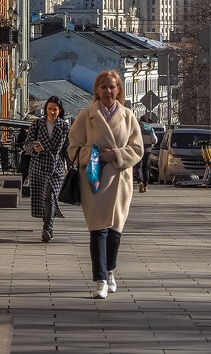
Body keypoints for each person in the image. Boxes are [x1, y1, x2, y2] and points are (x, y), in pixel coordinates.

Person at [68, 70, 143, 299]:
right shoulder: (86, 116)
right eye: (104, 87)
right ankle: (100, 279)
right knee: (97, 230)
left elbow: (138, 149)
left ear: (118, 90)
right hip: (94, 179)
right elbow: (73, 148)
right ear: (96, 90)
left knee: (114, 231)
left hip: (120, 181)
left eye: (112, 87)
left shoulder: (128, 116)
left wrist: (117, 155)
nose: (108, 92)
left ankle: (110, 271)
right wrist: (95, 155)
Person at [25, 96, 71, 242]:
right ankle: (47, 227)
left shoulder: (64, 127)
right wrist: (34, 148)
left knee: (50, 196)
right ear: (46, 109)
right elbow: (27, 144)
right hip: (38, 167)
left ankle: (47, 229)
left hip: (56, 168)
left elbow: (68, 149)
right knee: (43, 198)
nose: (52, 112)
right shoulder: (37, 124)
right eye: (50, 109)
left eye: (55, 109)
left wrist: (71, 167)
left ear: (60, 111)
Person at [137, 117, 156, 193]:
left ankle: (139, 181)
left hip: (138, 149)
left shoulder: (137, 126)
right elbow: (154, 140)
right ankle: (145, 186)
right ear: (147, 121)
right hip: (147, 150)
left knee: (138, 166)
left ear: (140, 120)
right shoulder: (150, 128)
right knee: (146, 167)